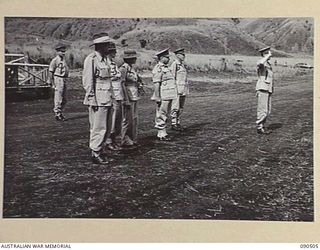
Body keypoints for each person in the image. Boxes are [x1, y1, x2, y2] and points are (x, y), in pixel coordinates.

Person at [82, 33, 114, 164]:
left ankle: (100, 149)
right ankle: (95, 152)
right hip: (98, 98)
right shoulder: (92, 59)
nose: (109, 47)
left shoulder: (105, 59)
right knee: (98, 127)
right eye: (106, 45)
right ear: (100, 46)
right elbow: (88, 81)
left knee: (106, 126)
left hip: (107, 97)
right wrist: (91, 99)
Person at [151, 48, 178, 140]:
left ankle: (164, 132)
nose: (169, 59)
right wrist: (157, 96)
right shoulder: (158, 69)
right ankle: (161, 133)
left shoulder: (166, 68)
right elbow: (156, 83)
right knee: (161, 113)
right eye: (167, 57)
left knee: (165, 113)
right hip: (163, 95)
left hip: (169, 94)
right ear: (162, 58)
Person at [120, 50, 142, 146]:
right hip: (128, 96)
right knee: (127, 119)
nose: (135, 59)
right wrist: (125, 99)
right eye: (134, 57)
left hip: (134, 95)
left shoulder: (132, 68)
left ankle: (133, 138)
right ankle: (124, 138)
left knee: (134, 118)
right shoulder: (123, 69)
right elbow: (122, 84)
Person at [105, 42, 124, 151]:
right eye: (113, 52)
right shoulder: (106, 64)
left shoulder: (113, 63)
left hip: (118, 94)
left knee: (118, 118)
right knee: (112, 119)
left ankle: (113, 140)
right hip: (112, 94)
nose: (115, 54)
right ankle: (108, 141)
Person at [255, 46, 274, 134]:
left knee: (267, 111)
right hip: (262, 88)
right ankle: (259, 127)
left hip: (268, 89)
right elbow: (260, 63)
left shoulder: (268, 64)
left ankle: (262, 126)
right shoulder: (261, 62)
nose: (270, 54)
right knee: (262, 110)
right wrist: (266, 56)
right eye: (268, 52)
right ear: (264, 54)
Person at [170, 48, 189, 131]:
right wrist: (173, 88)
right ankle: (173, 123)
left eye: (184, 54)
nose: (184, 56)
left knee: (181, 107)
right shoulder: (175, 64)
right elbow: (172, 77)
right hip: (177, 89)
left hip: (183, 88)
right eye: (182, 54)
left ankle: (178, 122)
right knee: (175, 107)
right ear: (177, 55)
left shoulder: (182, 65)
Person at [49, 43, 69, 121]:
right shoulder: (55, 60)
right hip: (58, 78)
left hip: (64, 79)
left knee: (65, 98)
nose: (63, 53)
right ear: (57, 51)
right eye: (61, 51)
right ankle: (57, 114)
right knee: (58, 97)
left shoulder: (63, 60)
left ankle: (61, 112)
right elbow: (51, 72)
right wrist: (52, 83)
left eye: (64, 51)